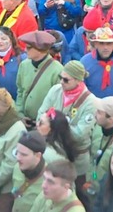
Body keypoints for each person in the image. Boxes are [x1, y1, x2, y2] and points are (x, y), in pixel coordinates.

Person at [38, 61, 96, 209]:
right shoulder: (55, 91)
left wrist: (51, 126)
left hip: (76, 156)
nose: (61, 82)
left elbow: (80, 134)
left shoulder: (90, 102)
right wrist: (51, 124)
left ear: (78, 80)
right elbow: (41, 113)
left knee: (81, 194)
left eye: (66, 80)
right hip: (53, 149)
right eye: (60, 77)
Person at [15, 31, 63, 129]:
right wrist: (19, 115)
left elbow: (58, 102)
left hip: (44, 126)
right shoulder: (24, 65)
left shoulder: (58, 70)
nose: (25, 49)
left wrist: (45, 122)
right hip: (24, 123)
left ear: (39, 49)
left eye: (29, 47)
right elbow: (20, 91)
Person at [81, 27, 113, 106]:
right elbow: (81, 86)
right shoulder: (85, 62)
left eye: (109, 43)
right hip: (92, 107)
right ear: (95, 44)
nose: (105, 47)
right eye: (101, 43)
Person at [11, 131, 47, 212]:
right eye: (17, 152)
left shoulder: (49, 179)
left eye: (24, 155)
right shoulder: (17, 167)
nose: (18, 158)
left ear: (38, 156)